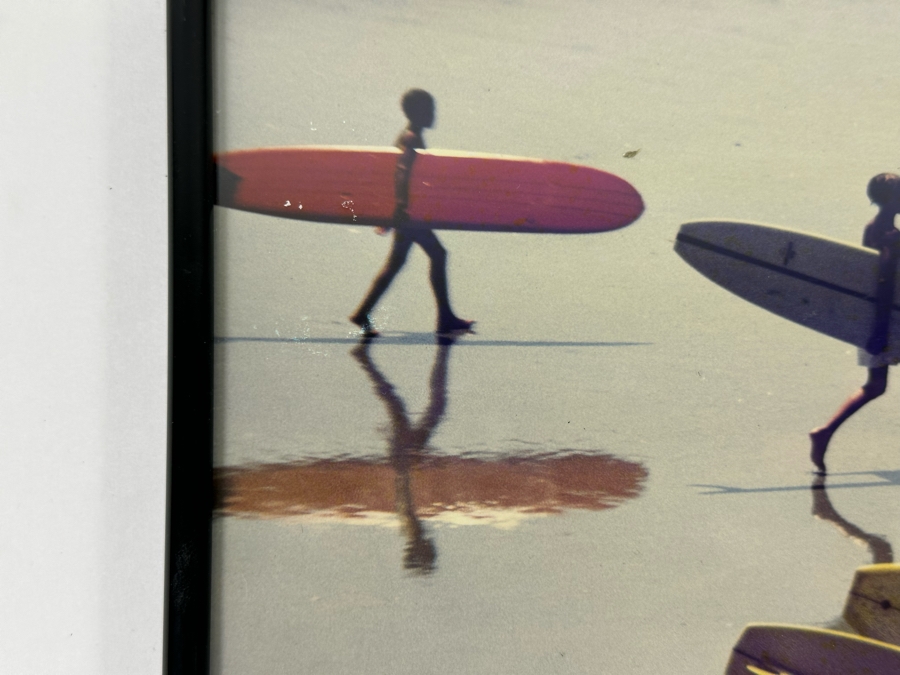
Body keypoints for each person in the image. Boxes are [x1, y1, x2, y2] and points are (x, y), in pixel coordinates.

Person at [349, 89, 474, 337]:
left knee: (398, 263)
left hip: (407, 213)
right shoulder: (411, 138)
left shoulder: (409, 136)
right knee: (437, 255)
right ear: (416, 113)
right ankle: (445, 318)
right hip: (408, 215)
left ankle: (363, 312)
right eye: (429, 110)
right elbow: (402, 173)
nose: (433, 115)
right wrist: (399, 209)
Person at [809, 173, 900, 473]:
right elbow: (884, 282)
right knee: (875, 386)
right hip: (885, 320)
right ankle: (824, 433)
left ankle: (825, 433)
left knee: (876, 386)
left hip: (873, 316)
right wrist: (880, 330)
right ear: (891, 199)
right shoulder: (890, 236)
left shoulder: (873, 229)